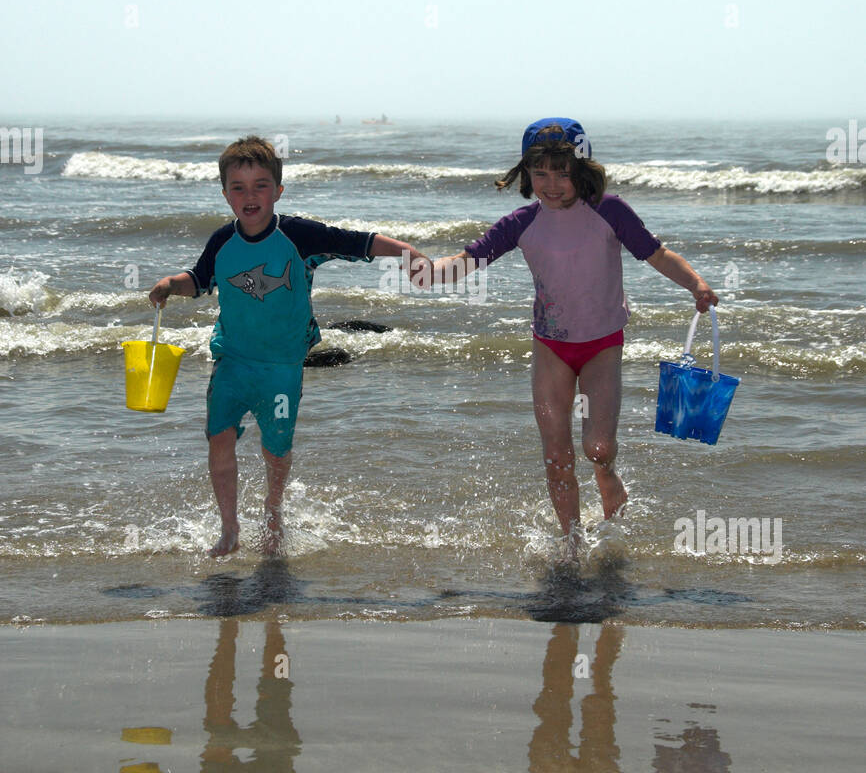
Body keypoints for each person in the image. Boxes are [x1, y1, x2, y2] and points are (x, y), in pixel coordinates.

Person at [432, 119, 718, 550]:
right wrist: (426, 272)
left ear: (582, 170)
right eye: (540, 173)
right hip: (551, 346)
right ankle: (571, 542)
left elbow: (657, 255)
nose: (551, 184)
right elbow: (469, 259)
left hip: (602, 345)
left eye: (562, 172)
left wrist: (695, 284)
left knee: (598, 447)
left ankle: (607, 475)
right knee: (557, 454)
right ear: (526, 173)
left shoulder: (610, 211)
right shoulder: (520, 222)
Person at [149, 135, 430, 558]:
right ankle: (229, 528)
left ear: (278, 191)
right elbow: (200, 280)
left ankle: (273, 512)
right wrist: (171, 284)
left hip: (283, 367)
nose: (250, 195)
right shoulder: (222, 241)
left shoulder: (298, 235)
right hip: (232, 359)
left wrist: (406, 251)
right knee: (219, 437)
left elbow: (357, 241)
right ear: (225, 194)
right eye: (238, 187)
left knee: (275, 449)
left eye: (261, 185)